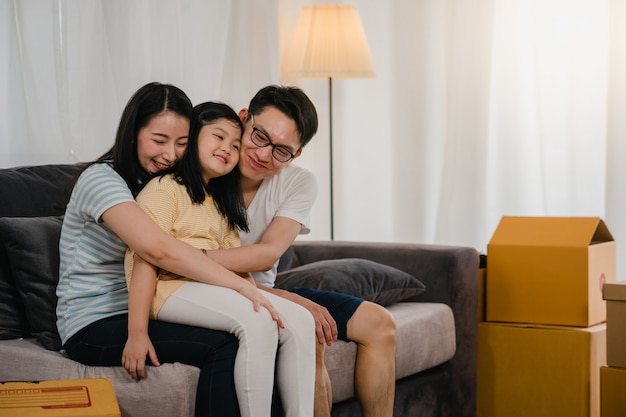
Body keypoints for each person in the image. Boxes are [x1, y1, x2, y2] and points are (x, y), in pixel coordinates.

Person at [56, 82, 271, 417]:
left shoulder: (159, 183)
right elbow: (157, 250)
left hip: (145, 305)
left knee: (244, 329)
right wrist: (241, 285)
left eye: (181, 143)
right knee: (223, 344)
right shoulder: (101, 180)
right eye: (159, 141)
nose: (170, 154)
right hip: (92, 322)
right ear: (132, 133)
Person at [203, 85, 398, 417]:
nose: (264, 155)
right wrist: (298, 302)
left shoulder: (298, 182)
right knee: (311, 333)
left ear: (297, 155)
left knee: (380, 324)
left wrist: (192, 258)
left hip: (267, 290)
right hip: (217, 293)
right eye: (259, 136)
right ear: (243, 119)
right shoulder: (210, 166)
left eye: (282, 151)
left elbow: (268, 253)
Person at [123, 101, 315, 417]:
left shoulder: (220, 206)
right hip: (166, 290)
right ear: (193, 134)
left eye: (236, 145)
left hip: (211, 288)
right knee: (256, 321)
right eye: (219, 137)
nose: (228, 149)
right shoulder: (164, 188)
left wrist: (260, 294)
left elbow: (239, 268)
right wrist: (137, 332)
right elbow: (144, 259)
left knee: (301, 321)